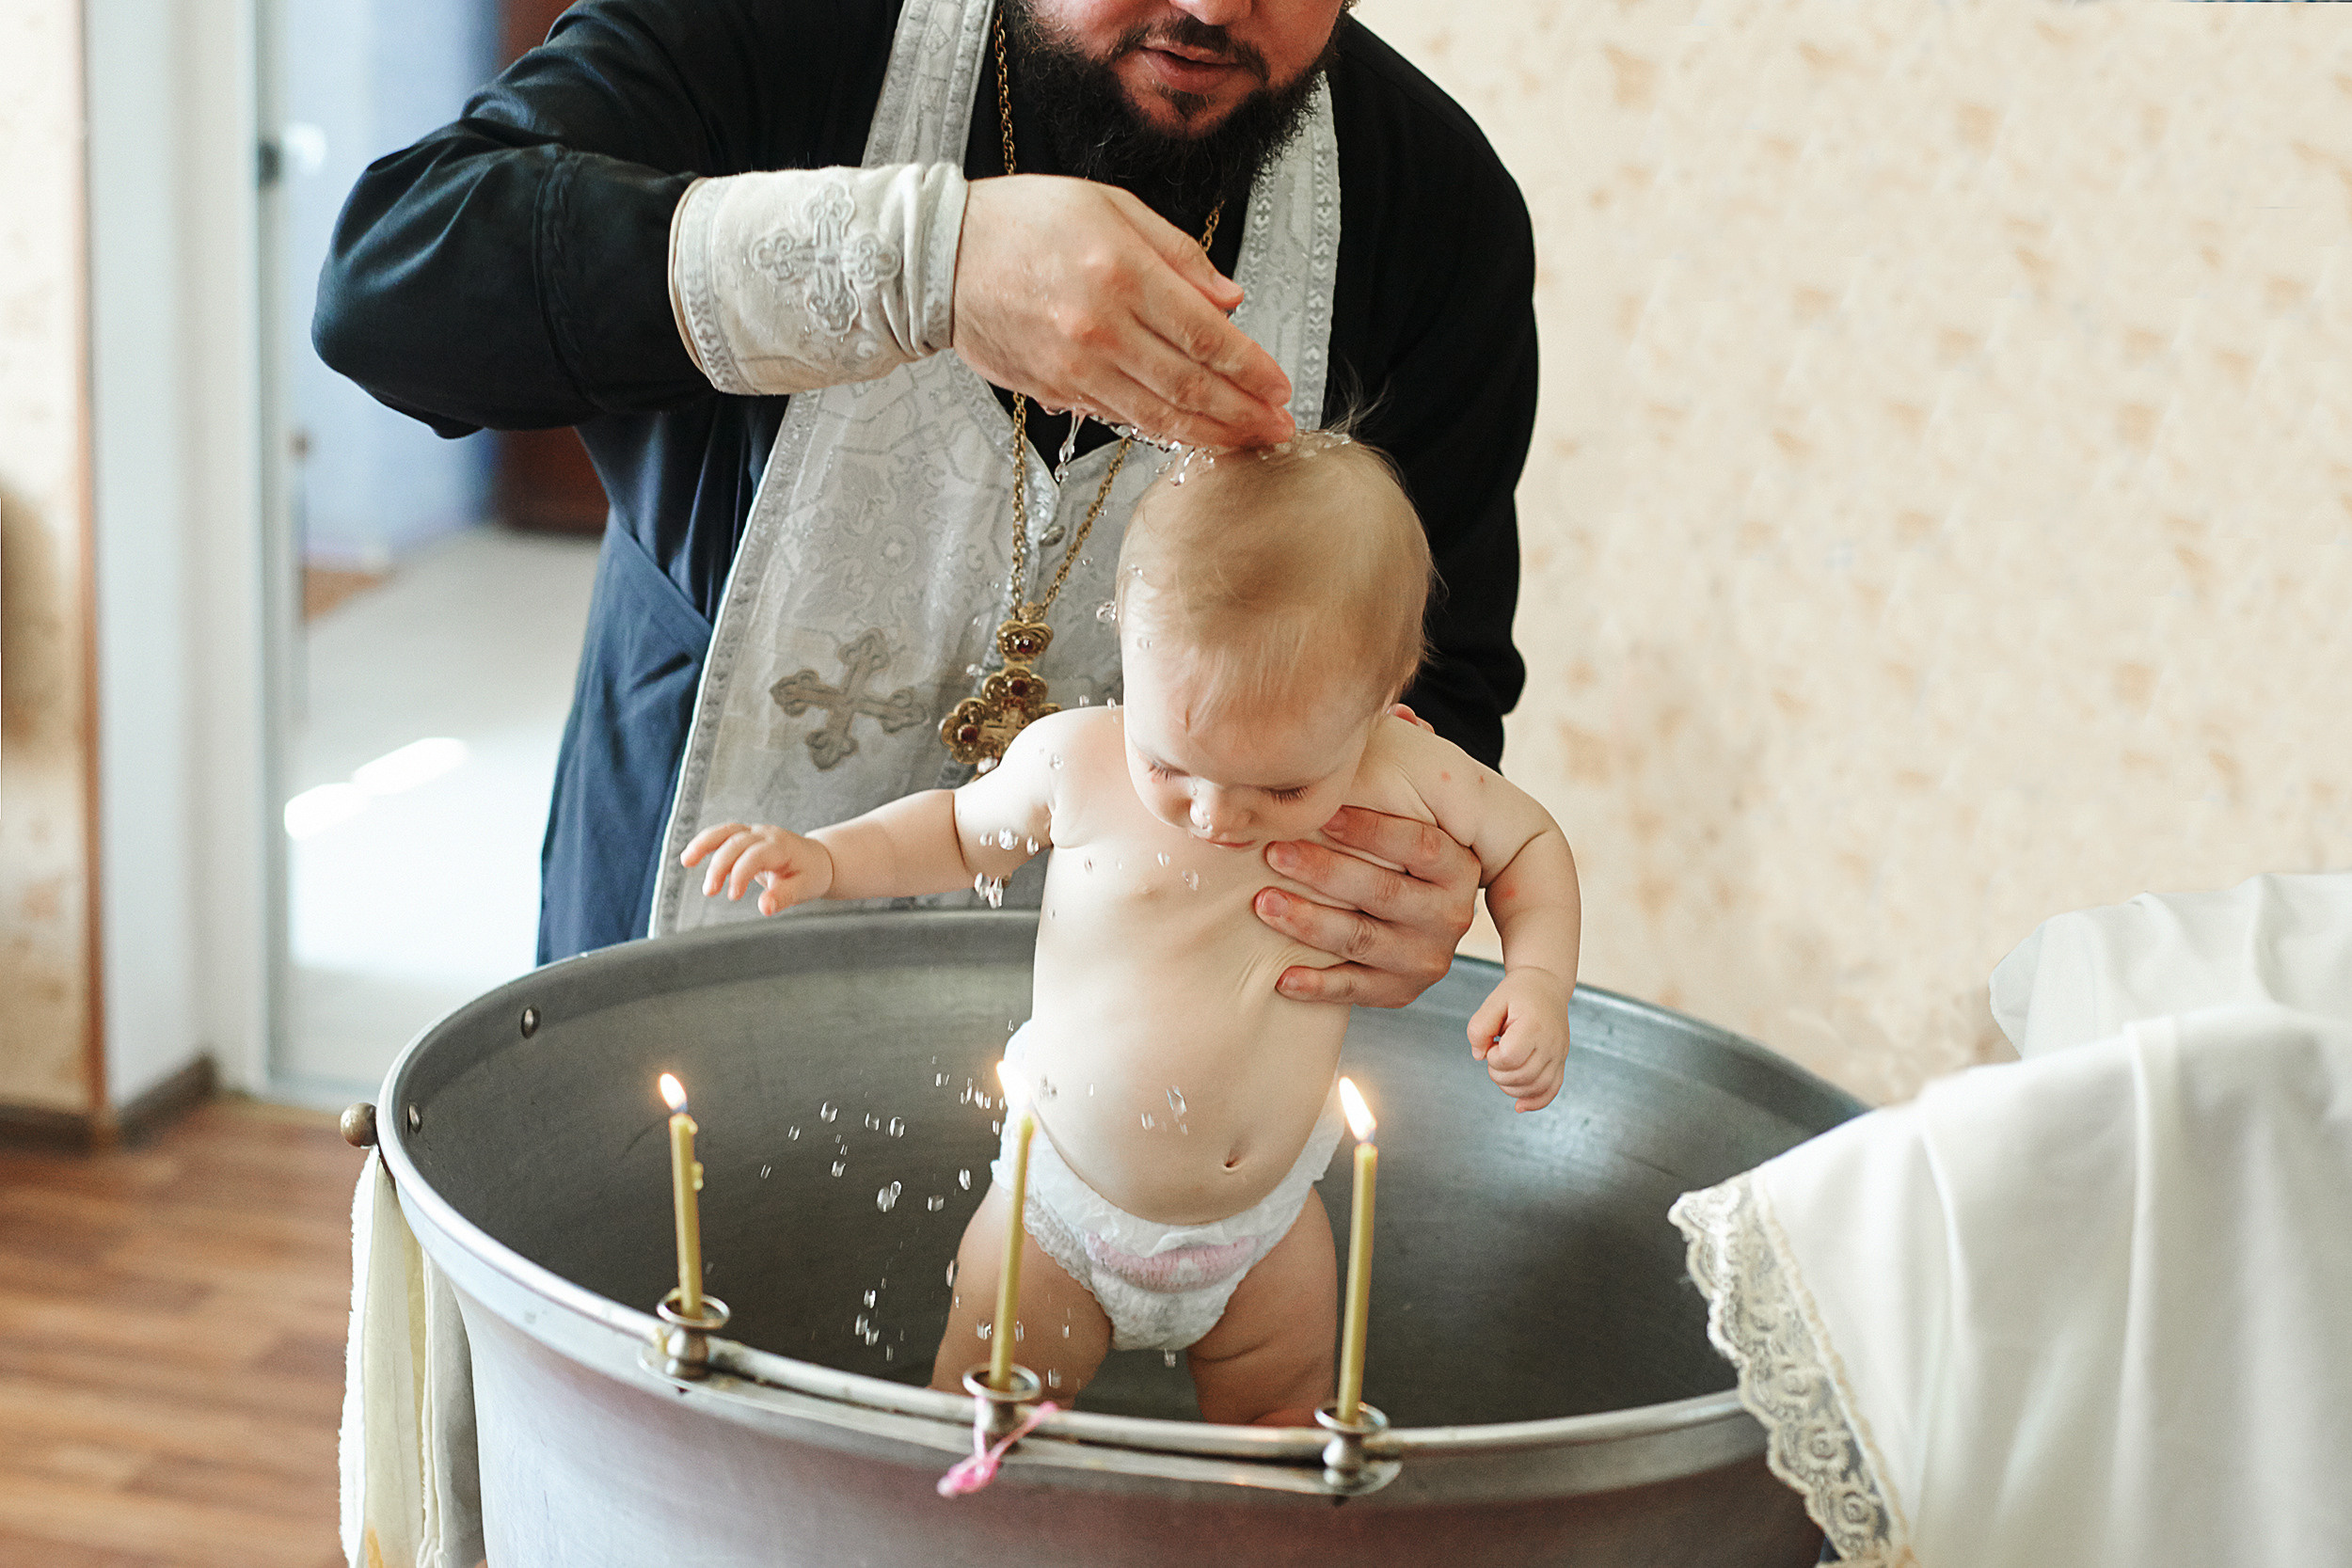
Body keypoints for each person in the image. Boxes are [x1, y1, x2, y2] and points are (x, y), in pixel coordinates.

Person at [313, 0, 1538, 1010]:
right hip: (675, 938)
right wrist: (919, 260)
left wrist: (1401, 880)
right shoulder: (777, 35)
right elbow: (392, 285)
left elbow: (1440, 686)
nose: (1215, 8)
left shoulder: (1433, 210)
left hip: (1155, 1106)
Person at [683, 435, 1581, 1423]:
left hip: (1268, 1224)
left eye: (1282, 785)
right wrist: (828, 858)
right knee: (981, 1422)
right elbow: (954, 828)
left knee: (1288, 1431)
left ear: (1382, 694)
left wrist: (1536, 976)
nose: (1215, 814)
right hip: (1060, 1213)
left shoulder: (1406, 770)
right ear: (1126, 655)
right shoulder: (1077, 760)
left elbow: (1528, 843)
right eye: (1173, 763)